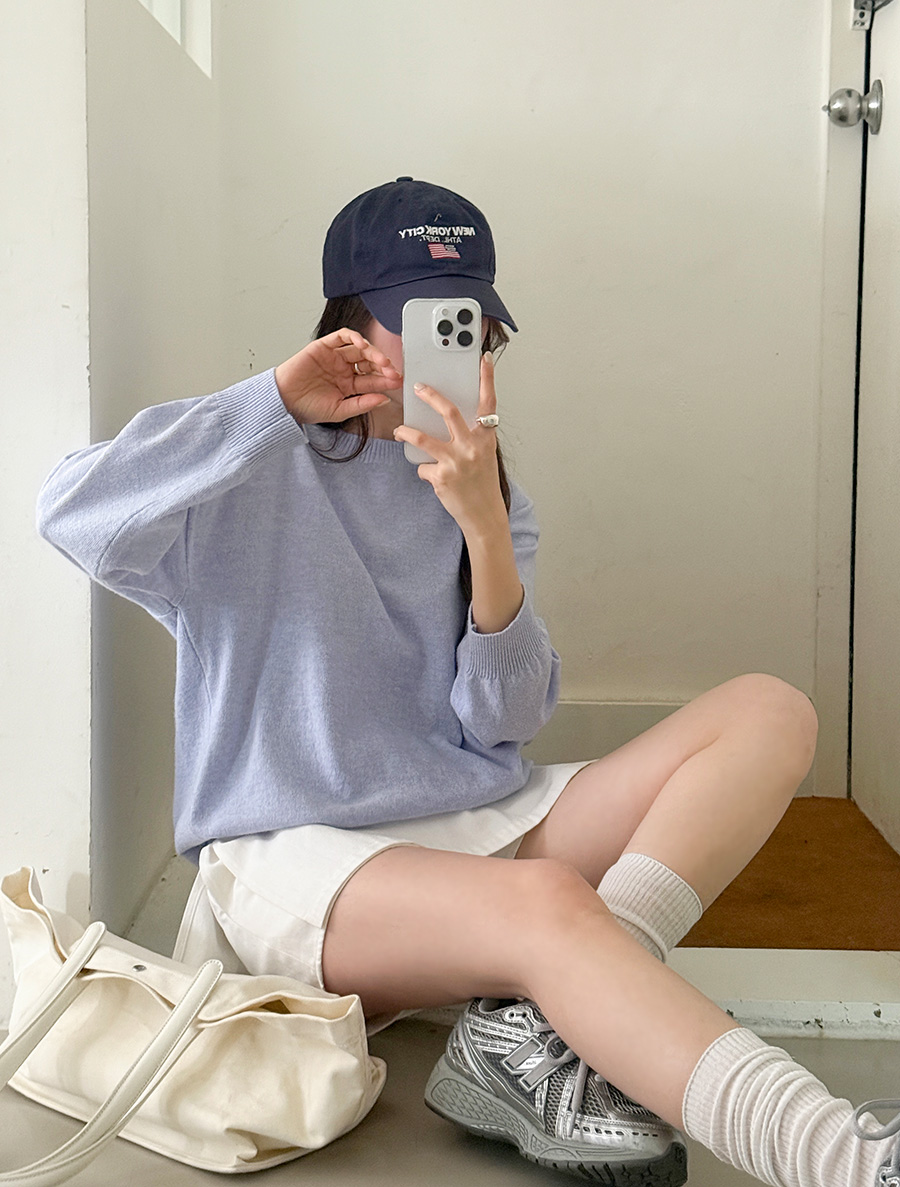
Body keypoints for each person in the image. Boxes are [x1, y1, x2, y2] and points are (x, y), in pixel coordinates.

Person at [36, 177, 899, 1187]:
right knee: (547, 903)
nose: (453, 345)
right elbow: (70, 511)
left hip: (464, 817)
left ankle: (533, 1027)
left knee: (769, 710)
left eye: (469, 323)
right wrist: (270, 400)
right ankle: (847, 1161)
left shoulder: (481, 483)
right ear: (349, 325)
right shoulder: (248, 466)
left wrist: (484, 528)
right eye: (421, 320)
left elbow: (503, 723)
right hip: (298, 855)